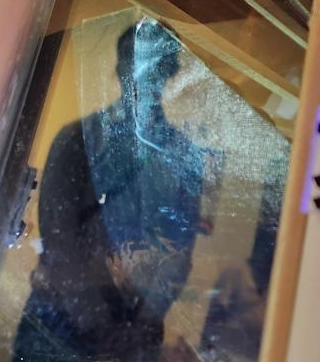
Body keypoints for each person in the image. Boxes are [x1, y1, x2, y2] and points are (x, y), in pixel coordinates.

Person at [14, 19, 206, 362]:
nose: (148, 78)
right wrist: (107, 333)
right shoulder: (76, 139)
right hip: (63, 329)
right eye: (139, 65)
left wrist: (139, 329)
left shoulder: (183, 155)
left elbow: (178, 256)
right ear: (120, 70)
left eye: (159, 66)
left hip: (133, 336)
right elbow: (62, 244)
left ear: (172, 73)